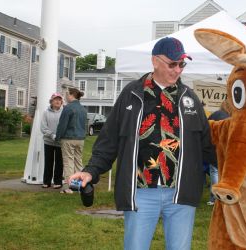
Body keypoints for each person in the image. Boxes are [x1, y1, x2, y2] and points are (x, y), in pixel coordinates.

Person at [69, 37, 215, 250]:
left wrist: (237, 176)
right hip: (141, 192)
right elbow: (109, 141)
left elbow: (208, 146)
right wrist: (90, 171)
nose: (177, 70)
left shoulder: (189, 99)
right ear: (155, 61)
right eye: (172, 64)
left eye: (182, 64)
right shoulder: (131, 94)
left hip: (181, 194)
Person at [56, 87, 87, 194]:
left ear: (71, 95)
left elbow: (62, 125)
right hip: (80, 139)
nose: (65, 97)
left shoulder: (68, 108)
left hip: (68, 138)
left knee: (68, 162)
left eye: (66, 95)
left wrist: (57, 137)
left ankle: (69, 187)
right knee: (78, 162)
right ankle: (79, 186)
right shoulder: (83, 109)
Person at [206, 100, 230, 206]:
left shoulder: (214, 114)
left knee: (214, 172)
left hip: (211, 148)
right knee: (223, 174)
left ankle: (213, 198)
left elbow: (205, 128)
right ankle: (222, 196)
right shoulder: (230, 118)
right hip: (223, 150)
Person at [40, 92, 64, 189]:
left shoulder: (64, 112)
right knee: (48, 162)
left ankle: (58, 182)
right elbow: (43, 128)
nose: (58, 101)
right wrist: (52, 136)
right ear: (51, 101)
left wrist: (59, 136)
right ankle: (46, 182)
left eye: (59, 99)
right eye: (56, 99)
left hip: (60, 142)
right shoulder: (46, 113)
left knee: (59, 163)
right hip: (48, 141)